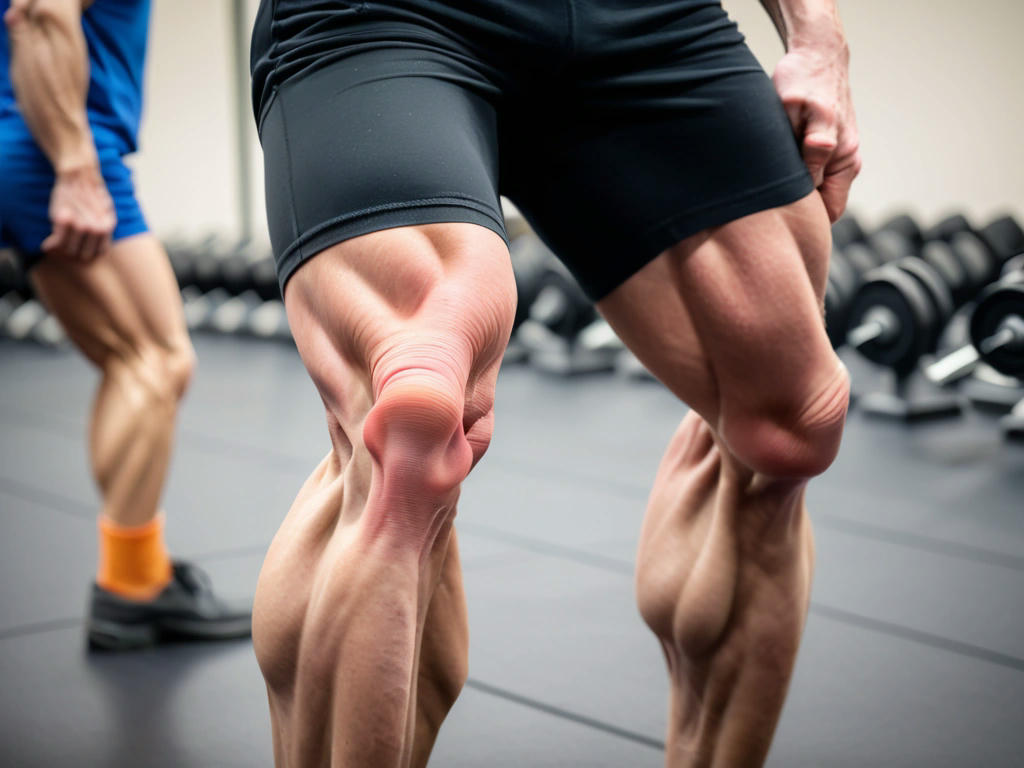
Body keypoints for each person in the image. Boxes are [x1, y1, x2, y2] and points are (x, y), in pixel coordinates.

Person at [249, 0, 859, 764]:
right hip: (390, 15)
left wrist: (816, 33)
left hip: (645, 19)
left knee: (793, 421)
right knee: (414, 418)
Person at [0, 0, 250, 650]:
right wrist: (77, 167)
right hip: (47, 145)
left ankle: (135, 574)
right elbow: (40, 13)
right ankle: (129, 592)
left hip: (30, 142)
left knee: (130, 362)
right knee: (158, 359)